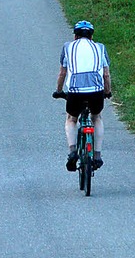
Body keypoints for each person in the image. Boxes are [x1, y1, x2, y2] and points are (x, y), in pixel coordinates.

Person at [53, 20, 111, 172]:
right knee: (96, 117)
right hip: (96, 91)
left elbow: (62, 73)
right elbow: (106, 74)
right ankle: (97, 154)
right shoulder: (100, 48)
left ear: (75, 36)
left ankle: (72, 151)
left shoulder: (68, 48)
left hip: (75, 92)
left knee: (71, 119)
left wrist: (59, 91)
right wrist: (107, 91)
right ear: (92, 37)